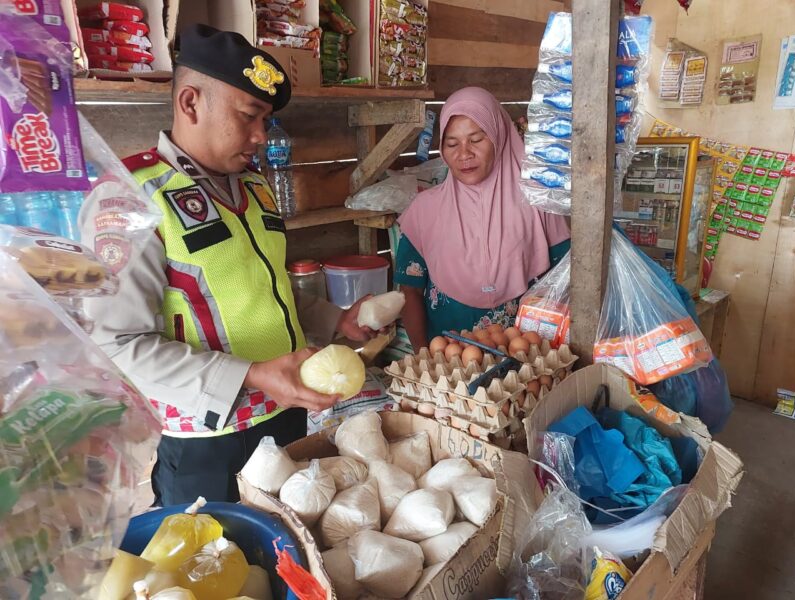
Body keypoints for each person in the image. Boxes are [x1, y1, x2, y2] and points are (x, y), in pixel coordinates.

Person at [83, 25, 376, 506]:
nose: (262, 136)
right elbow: (115, 346)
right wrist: (251, 376)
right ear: (191, 103)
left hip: (287, 417)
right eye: (249, 117)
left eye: (264, 119)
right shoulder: (129, 197)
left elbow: (266, 293)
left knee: (295, 560)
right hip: (208, 442)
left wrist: (333, 319)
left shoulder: (255, 190)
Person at [395, 87, 571, 350]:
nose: (464, 154)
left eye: (476, 140)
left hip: (525, 362)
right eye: (452, 143)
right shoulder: (424, 211)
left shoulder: (537, 202)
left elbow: (565, 280)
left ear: (498, 138)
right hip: (446, 369)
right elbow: (410, 290)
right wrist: (424, 355)